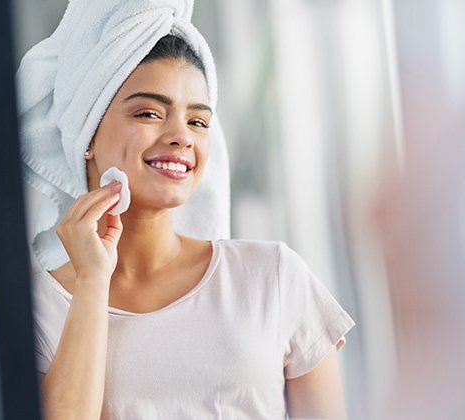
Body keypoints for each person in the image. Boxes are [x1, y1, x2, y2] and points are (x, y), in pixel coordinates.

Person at [19, 2, 354, 419]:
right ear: (87, 132)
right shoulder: (37, 308)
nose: (181, 136)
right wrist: (91, 283)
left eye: (197, 121)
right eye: (149, 113)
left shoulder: (272, 277)